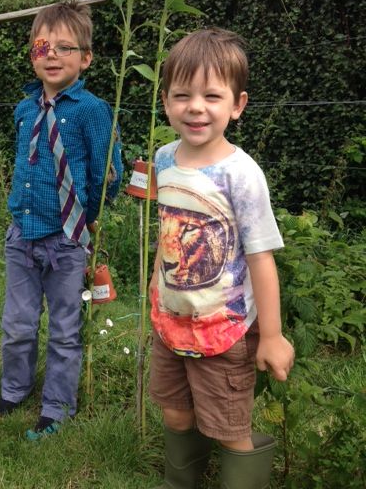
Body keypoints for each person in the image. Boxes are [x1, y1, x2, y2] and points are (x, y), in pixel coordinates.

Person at [148, 27, 294, 489]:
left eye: (212, 95)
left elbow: (261, 258)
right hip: (170, 320)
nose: (196, 106)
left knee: (230, 428)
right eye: (182, 94)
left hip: (224, 329)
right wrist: (156, 288)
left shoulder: (241, 174)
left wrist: (270, 336)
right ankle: (182, 481)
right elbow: (168, 232)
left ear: (238, 105)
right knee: (174, 410)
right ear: (167, 101)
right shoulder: (164, 158)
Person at [0, 0, 122, 440]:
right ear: (32, 52)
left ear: (86, 57)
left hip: (67, 239)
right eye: (43, 46)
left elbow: (107, 172)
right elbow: (26, 166)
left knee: (65, 330)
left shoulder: (92, 110)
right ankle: (14, 389)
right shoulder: (25, 109)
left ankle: (57, 407)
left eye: (66, 48)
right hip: (22, 235)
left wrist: (90, 220)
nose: (52, 55)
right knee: (17, 323)